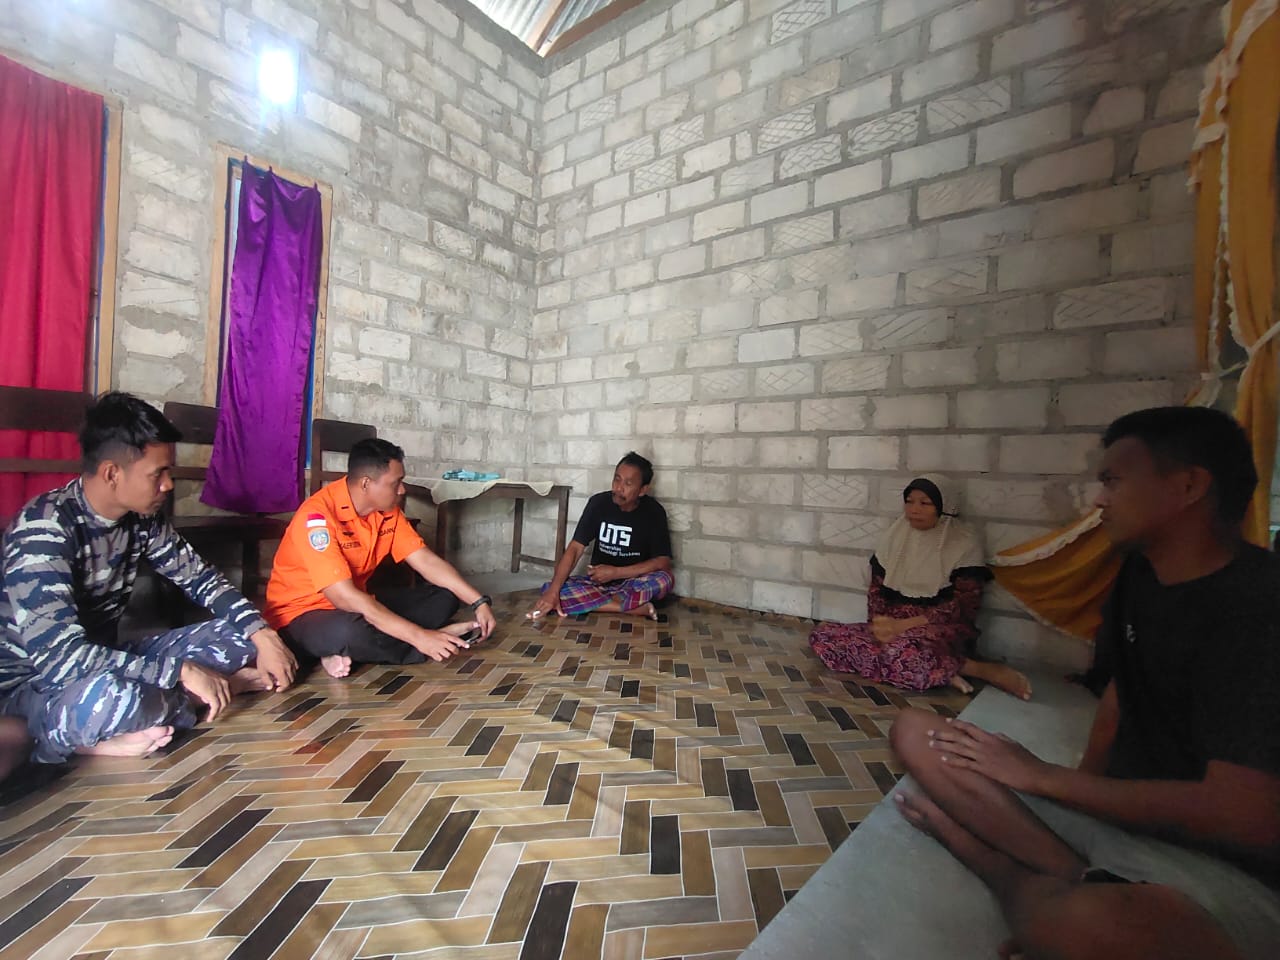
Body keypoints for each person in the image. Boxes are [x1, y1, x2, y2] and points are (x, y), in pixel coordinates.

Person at [889, 407, 1280, 960]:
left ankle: (1003, 869)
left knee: (1083, 925)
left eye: (1113, 481)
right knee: (915, 730)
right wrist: (1081, 794)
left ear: (1188, 486)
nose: (1099, 500)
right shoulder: (1140, 575)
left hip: (1221, 867)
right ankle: (1077, 873)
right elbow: (1123, 691)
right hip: (1118, 816)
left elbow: (1241, 815)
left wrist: (1043, 778)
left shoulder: (1260, 608)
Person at [0, 392, 297, 764]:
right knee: (113, 699)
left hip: (110, 660)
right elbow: (63, 660)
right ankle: (197, 698)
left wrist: (262, 634)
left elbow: (201, 579)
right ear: (112, 473)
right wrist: (181, 671)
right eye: (158, 473)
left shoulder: (142, 519)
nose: (168, 484)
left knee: (241, 635)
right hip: (37, 685)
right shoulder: (44, 529)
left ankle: (149, 716)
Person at [265, 438, 496, 678]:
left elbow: (426, 561)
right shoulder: (317, 518)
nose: (402, 490)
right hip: (302, 615)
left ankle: (343, 650)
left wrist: (478, 601)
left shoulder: (386, 511)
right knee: (350, 632)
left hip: (358, 603)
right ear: (366, 483)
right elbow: (344, 597)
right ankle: (425, 642)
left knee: (444, 597)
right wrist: (420, 637)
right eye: (396, 483)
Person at [809, 475, 1031, 699]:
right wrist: (880, 623)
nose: (914, 509)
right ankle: (943, 671)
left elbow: (963, 607)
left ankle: (976, 669)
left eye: (925, 503)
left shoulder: (963, 543)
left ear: (944, 507)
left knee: (904, 651)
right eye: (909, 502)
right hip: (893, 627)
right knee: (824, 637)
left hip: (938, 628)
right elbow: (877, 591)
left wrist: (903, 626)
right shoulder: (895, 536)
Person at [527, 452, 673, 622]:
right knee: (551, 588)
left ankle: (601, 603)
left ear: (642, 490)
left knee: (665, 580)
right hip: (598, 583)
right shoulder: (598, 503)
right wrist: (553, 591)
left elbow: (662, 562)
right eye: (617, 479)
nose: (619, 488)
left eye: (628, 483)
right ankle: (629, 607)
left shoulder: (654, 512)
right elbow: (575, 548)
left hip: (635, 583)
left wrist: (616, 573)